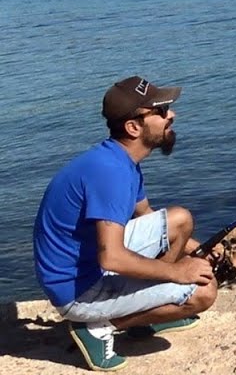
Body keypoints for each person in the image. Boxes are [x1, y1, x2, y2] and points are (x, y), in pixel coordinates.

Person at [33, 77, 219, 371]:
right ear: (133, 127)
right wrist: (177, 272)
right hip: (78, 290)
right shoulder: (111, 174)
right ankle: (97, 326)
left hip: (84, 262)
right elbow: (113, 256)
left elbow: (147, 218)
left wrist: (201, 249)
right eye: (161, 111)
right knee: (203, 292)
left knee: (180, 220)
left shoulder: (119, 161)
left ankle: (142, 317)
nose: (171, 115)